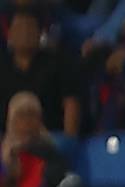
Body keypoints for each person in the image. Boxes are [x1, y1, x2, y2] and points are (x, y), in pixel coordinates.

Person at [0, 8, 81, 137]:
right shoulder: (3, 66)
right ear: (9, 34)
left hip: (51, 139)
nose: (25, 32)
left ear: (40, 33)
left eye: (30, 27)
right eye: (20, 28)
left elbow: (71, 103)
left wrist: (68, 141)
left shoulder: (59, 63)